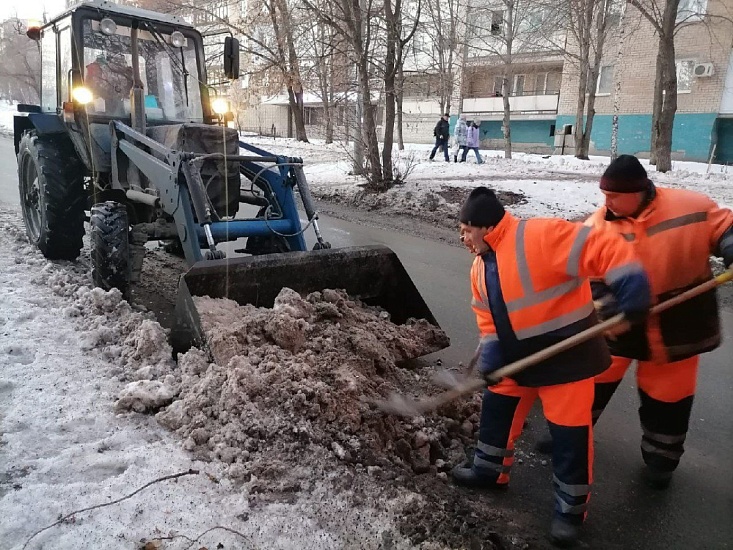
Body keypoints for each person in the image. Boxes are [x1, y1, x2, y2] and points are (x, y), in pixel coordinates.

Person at [453, 187, 651, 547]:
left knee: (569, 437)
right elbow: (487, 318)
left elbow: (602, 246)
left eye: (466, 230)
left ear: (484, 226)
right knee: (497, 411)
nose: (462, 239)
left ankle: (570, 510)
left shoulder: (540, 235)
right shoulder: (479, 267)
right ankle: (489, 470)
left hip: (568, 360)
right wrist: (493, 353)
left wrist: (629, 280)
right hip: (519, 359)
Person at [535, 155, 733, 490]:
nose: (606, 202)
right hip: (618, 324)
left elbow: (724, 227)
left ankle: (661, 459)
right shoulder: (596, 226)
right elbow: (586, 274)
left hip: (678, 325)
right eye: (604, 195)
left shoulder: (689, 206)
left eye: (613, 196)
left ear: (637, 192)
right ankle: (567, 438)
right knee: (589, 384)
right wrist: (607, 306)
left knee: (669, 398)